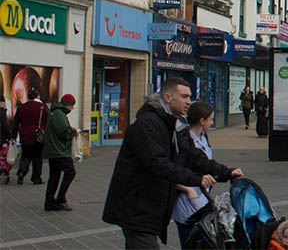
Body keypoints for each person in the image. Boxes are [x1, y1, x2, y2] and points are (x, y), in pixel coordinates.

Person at [102, 77, 243, 249]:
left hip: (151, 207)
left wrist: (225, 172)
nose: (188, 102)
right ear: (168, 98)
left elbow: (194, 156)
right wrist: (196, 179)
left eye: (190, 97)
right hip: (136, 206)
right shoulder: (147, 123)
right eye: (184, 97)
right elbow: (157, 163)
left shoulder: (175, 124)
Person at [172, 101, 219, 248]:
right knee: (190, 241)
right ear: (202, 121)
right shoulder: (183, 141)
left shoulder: (203, 137)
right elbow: (172, 171)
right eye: (210, 119)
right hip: (186, 202)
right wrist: (188, 189)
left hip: (202, 198)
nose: (212, 123)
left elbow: (205, 163)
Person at [42, 94, 79, 211]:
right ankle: (60, 199)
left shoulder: (55, 112)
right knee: (70, 173)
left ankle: (49, 202)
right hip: (59, 151)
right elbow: (64, 132)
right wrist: (73, 132)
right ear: (68, 105)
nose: (72, 109)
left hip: (53, 150)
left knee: (54, 176)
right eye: (72, 106)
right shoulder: (59, 114)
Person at [11, 87, 49, 185]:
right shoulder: (43, 107)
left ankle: (22, 172)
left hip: (24, 135)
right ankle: (36, 178)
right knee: (37, 157)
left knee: (26, 155)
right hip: (38, 136)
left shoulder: (21, 108)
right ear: (38, 96)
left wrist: (13, 136)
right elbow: (49, 120)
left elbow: (15, 123)